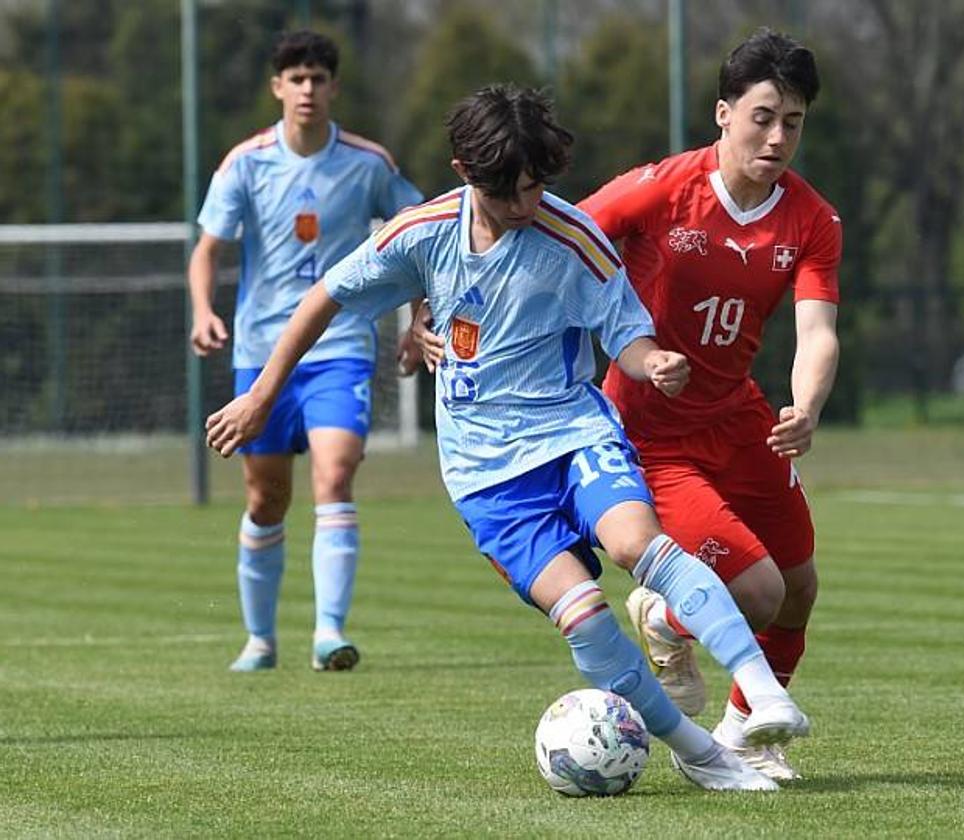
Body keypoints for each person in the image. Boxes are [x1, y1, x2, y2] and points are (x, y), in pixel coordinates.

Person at [205, 84, 808, 791]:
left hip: (571, 433)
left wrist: (654, 363)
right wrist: (261, 394)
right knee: (582, 615)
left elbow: (626, 331)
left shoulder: (570, 235)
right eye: (509, 193)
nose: (526, 205)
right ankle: (703, 755)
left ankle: (760, 686)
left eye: (536, 186)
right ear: (466, 171)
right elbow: (325, 299)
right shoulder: (422, 233)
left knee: (636, 543)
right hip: (487, 476)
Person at [409, 29, 839, 781]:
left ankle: (743, 732)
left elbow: (818, 330)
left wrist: (804, 404)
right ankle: (667, 619)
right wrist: (431, 316)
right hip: (648, 428)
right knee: (759, 594)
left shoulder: (811, 219)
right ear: (722, 113)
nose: (777, 137)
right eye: (762, 116)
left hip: (740, 417)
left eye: (793, 122)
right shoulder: (661, 189)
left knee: (799, 587)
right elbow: (539, 232)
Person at [188, 30, 422, 672]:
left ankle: (328, 633)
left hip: (341, 345)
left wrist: (417, 317)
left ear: (333, 86)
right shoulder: (247, 162)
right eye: (297, 78)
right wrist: (204, 311)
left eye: (318, 78)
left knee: (336, 470)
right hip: (263, 354)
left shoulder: (369, 163)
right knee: (266, 499)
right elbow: (207, 248)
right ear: (278, 88)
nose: (308, 90)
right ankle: (260, 641)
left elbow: (422, 237)